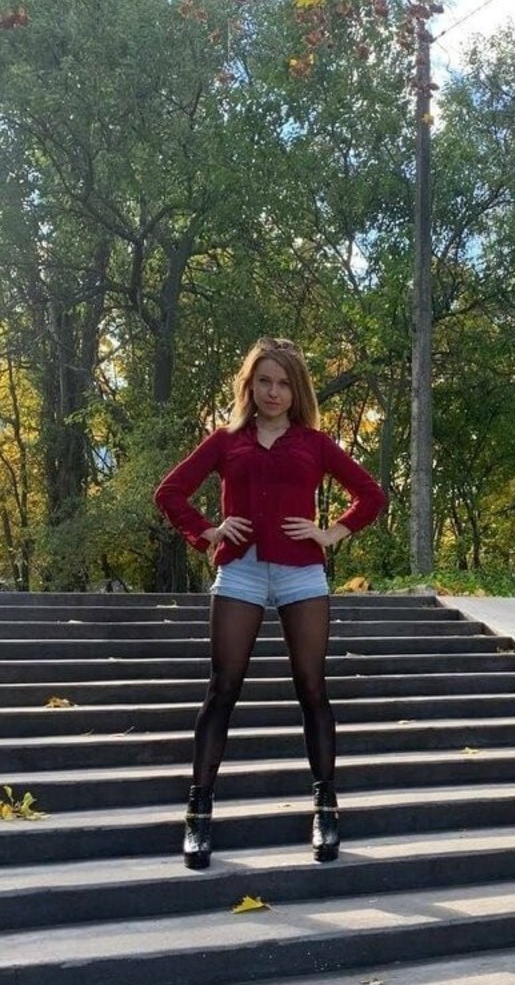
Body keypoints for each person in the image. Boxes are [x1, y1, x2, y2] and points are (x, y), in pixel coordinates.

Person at [154, 337, 386, 871]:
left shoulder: (314, 443)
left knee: (312, 689)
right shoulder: (226, 441)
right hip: (241, 571)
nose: (273, 392)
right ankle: (198, 814)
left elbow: (371, 495)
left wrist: (331, 533)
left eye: (283, 383)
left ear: (296, 390)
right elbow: (169, 492)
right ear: (250, 386)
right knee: (222, 689)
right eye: (264, 381)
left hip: (302, 573)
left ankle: (326, 810)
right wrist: (208, 531)